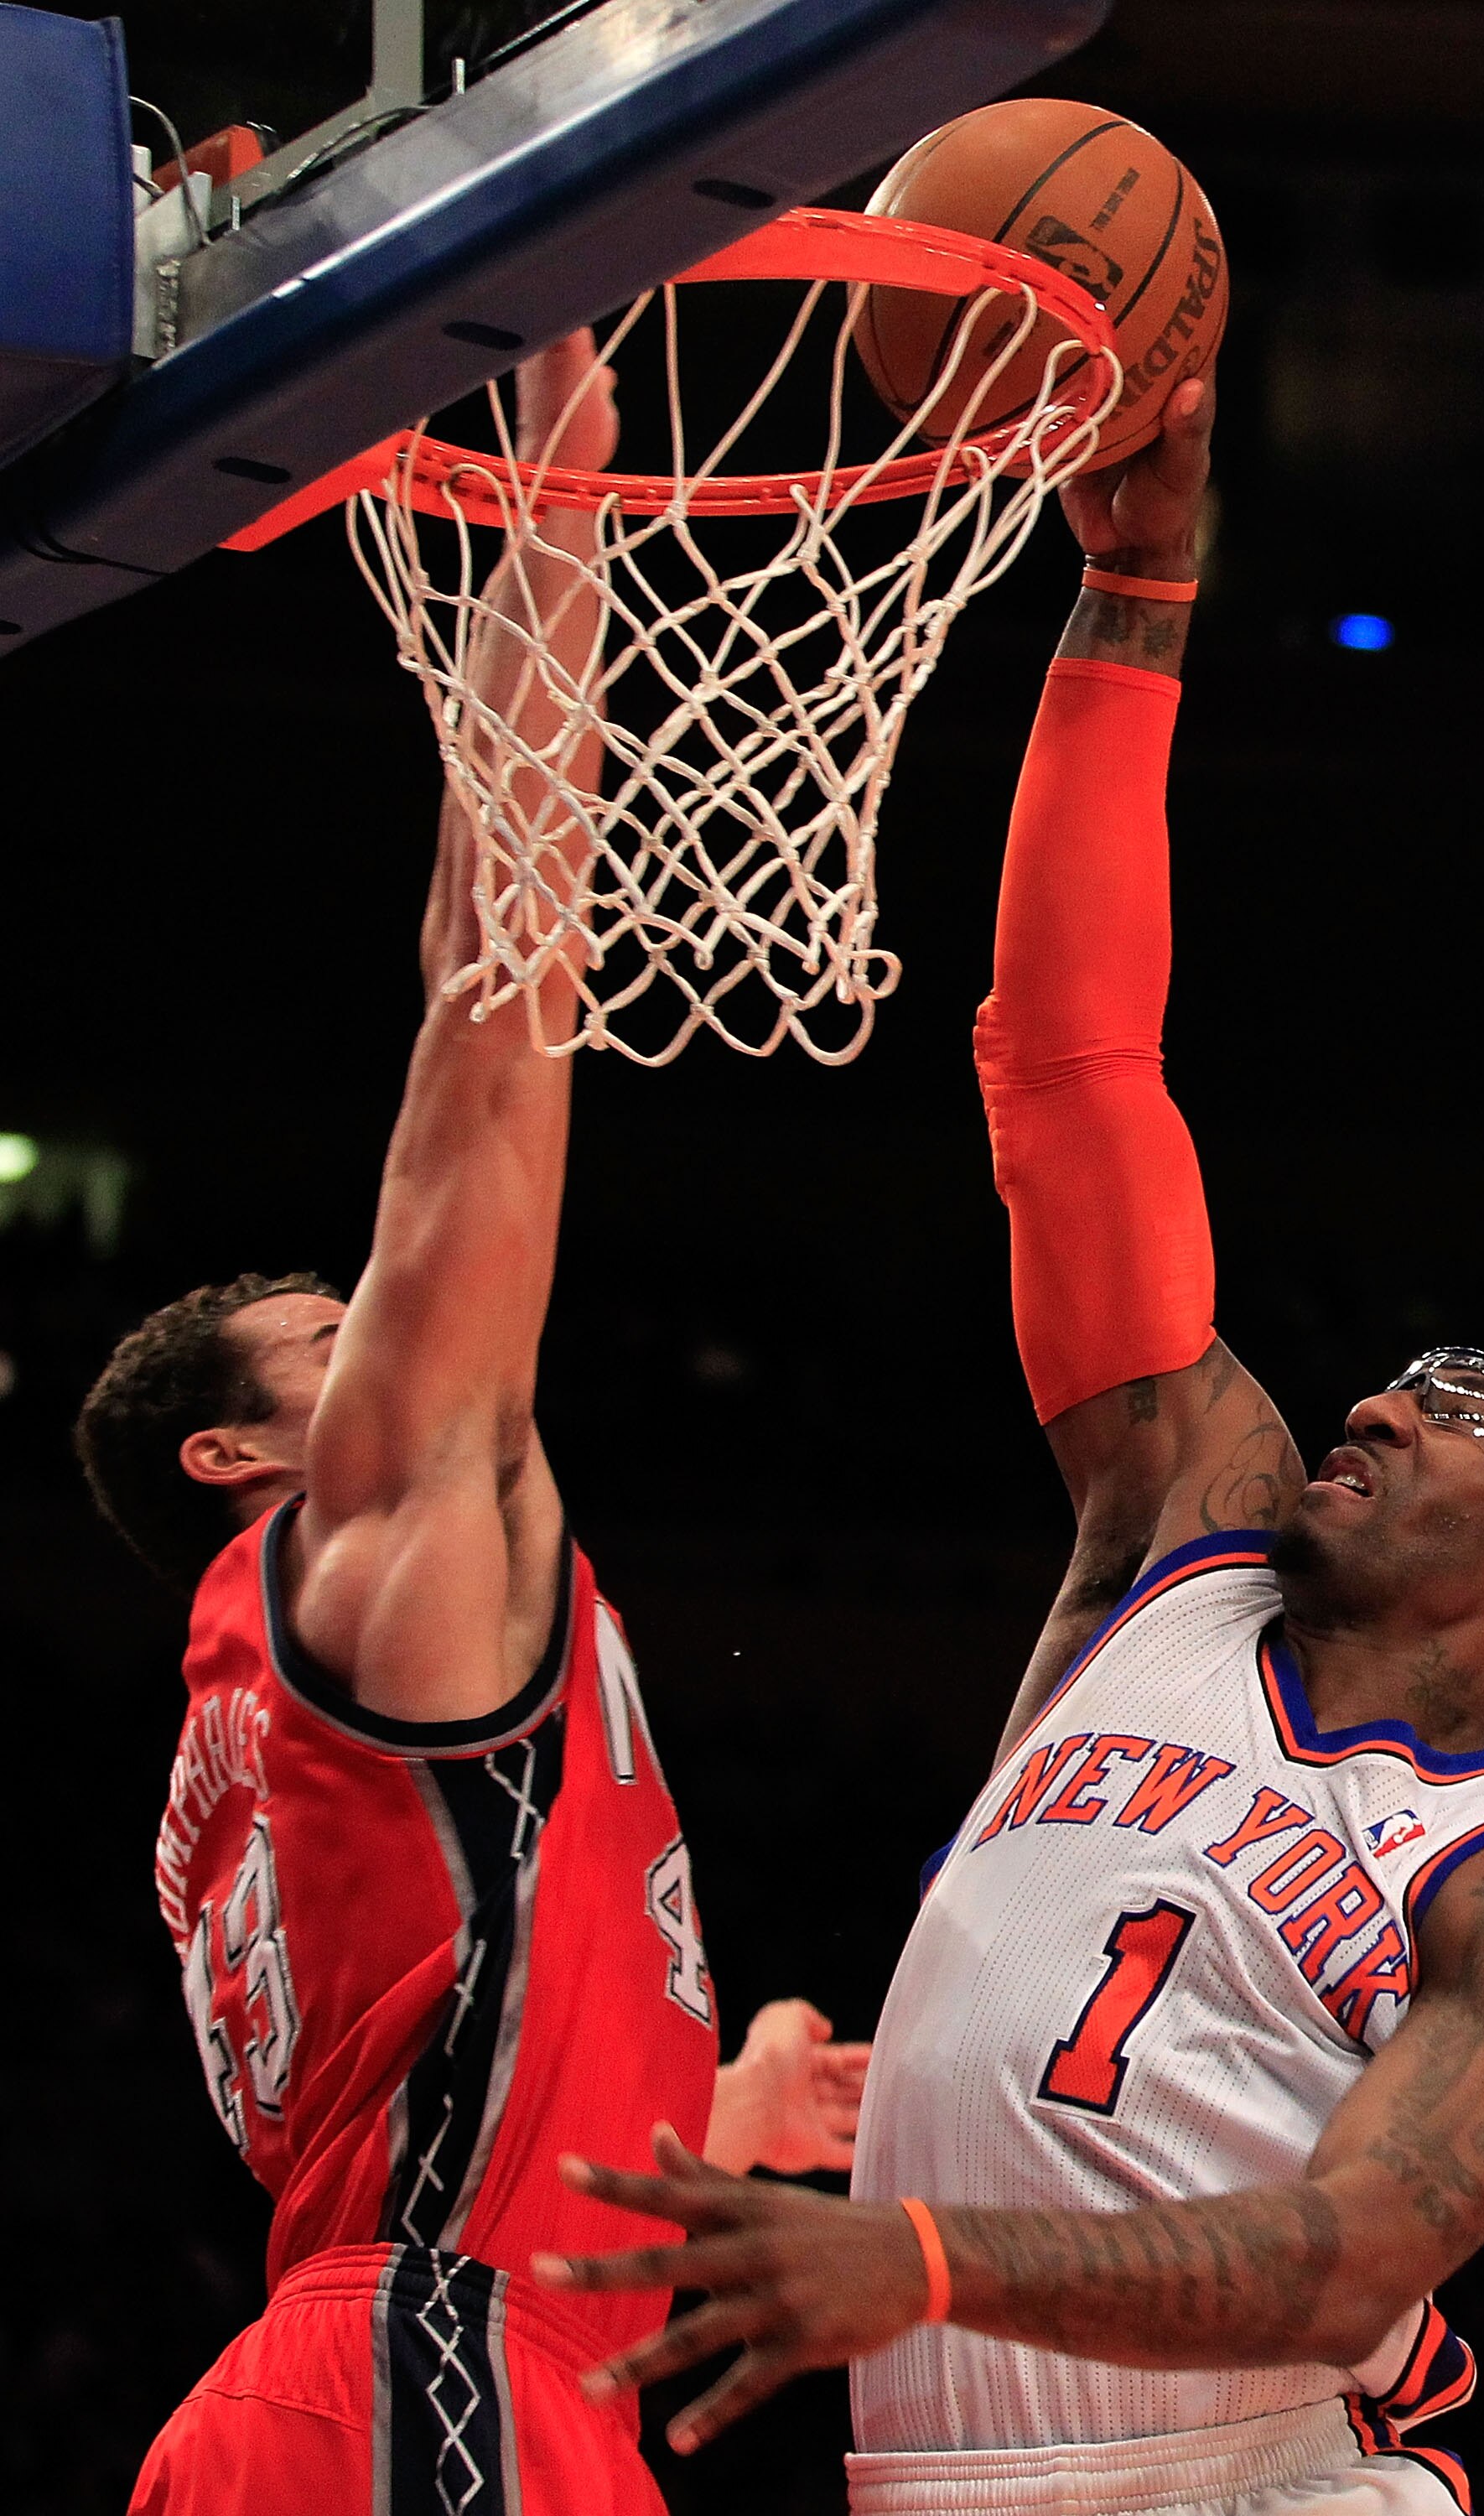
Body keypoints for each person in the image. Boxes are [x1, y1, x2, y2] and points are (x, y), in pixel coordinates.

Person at [528, 371, 1484, 2516]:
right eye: (1388, 1377)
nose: (1375, 1402)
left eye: (1465, 1404)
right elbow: (1066, 1070)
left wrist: (924, 2255)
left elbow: (1352, 2260)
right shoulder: (1184, 1541)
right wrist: (1134, 590)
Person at [75, 335, 868, 2516]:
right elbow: (487, 1021)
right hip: (435, 2383)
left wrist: (708, 2118)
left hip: (389, 2380)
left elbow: (446, 2067)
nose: (394, 1336)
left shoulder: (268, 1729)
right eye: (333, 1335)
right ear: (237, 1460)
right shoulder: (373, 1527)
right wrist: (558, 534)